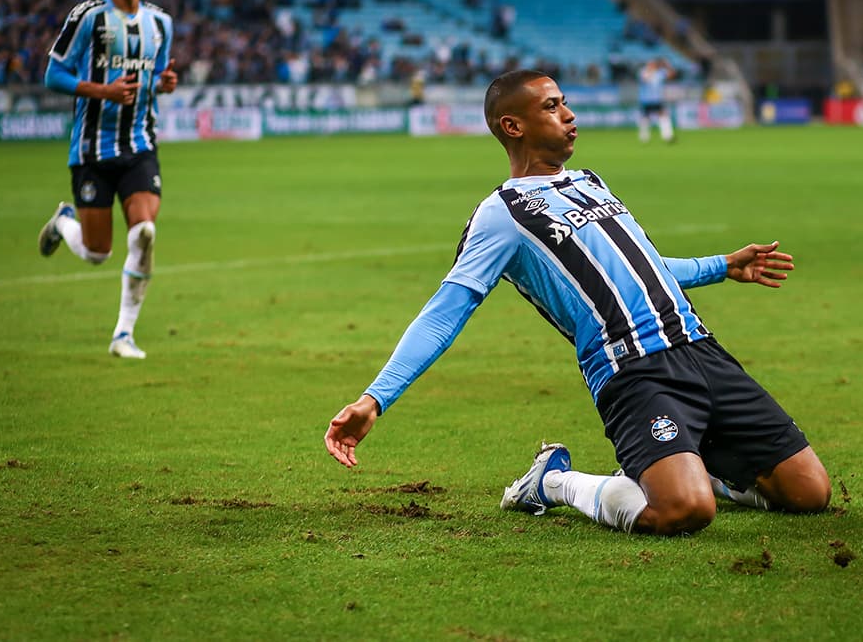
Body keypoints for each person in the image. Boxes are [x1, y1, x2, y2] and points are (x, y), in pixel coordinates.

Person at [324, 70, 831, 536]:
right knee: (683, 511)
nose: (569, 116)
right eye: (551, 107)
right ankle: (555, 482)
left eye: (565, 103)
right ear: (513, 126)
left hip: (700, 349)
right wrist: (375, 398)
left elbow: (645, 270)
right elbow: (445, 311)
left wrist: (722, 265)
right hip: (633, 371)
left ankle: (694, 467)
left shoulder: (590, 182)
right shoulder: (502, 215)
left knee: (810, 493)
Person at [37, 0, 177, 359]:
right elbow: (54, 75)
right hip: (92, 151)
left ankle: (123, 335)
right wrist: (104, 91)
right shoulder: (87, 17)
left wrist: (165, 83)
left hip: (139, 147)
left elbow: (159, 75)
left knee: (145, 232)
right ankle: (64, 221)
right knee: (98, 252)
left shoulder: (160, 23)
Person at [637, 58, 675, 144]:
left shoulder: (660, 72)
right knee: (645, 118)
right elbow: (645, 80)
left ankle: (667, 136)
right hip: (646, 99)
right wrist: (651, 71)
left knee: (664, 116)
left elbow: (671, 75)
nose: (653, 65)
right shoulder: (644, 71)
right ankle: (644, 137)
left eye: (654, 64)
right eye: (651, 64)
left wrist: (667, 65)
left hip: (657, 98)